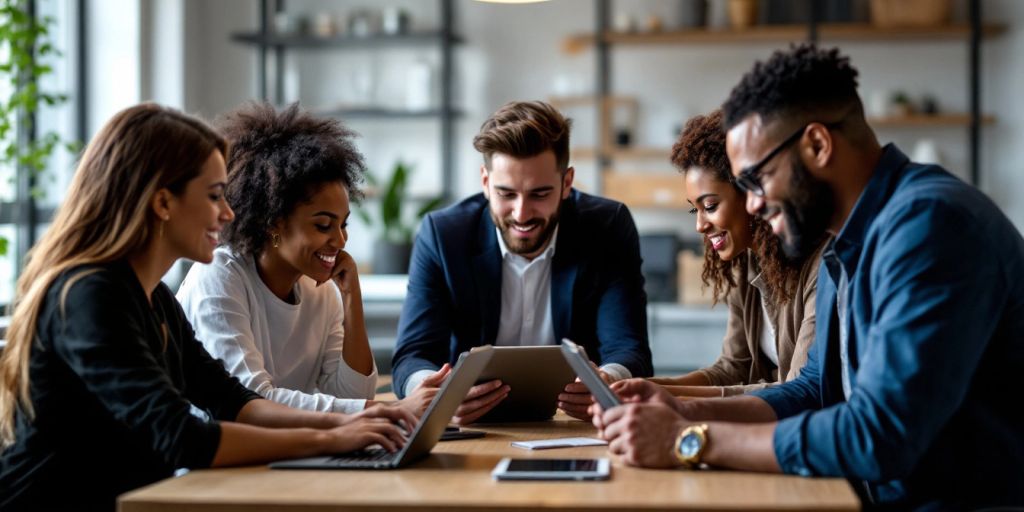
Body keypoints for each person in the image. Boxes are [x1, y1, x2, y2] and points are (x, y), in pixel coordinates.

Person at [594, 44, 1024, 509]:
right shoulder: (848, 238)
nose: (753, 204)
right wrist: (682, 408)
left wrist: (689, 440)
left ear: (818, 145)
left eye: (756, 180)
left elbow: (878, 435)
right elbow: (814, 388)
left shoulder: (931, 224)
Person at [0, 104, 416, 511]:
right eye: (215, 195)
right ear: (163, 202)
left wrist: (352, 424)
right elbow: (181, 436)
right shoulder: (89, 295)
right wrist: (334, 437)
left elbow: (234, 400)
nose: (229, 212)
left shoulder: (154, 297)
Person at [391, 100, 653, 423]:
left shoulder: (608, 227)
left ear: (567, 182)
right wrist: (433, 394)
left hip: (576, 426)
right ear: (485, 182)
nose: (521, 213)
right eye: (506, 193)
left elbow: (630, 349)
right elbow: (412, 356)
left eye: (540, 194)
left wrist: (607, 380)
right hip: (475, 428)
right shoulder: (443, 235)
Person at [176, 102, 440, 417]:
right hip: (212, 460)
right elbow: (251, 399)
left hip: (283, 452)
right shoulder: (218, 277)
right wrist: (385, 410)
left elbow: (350, 394)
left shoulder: (321, 291)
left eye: (343, 225)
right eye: (323, 225)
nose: (340, 240)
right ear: (273, 222)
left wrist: (351, 297)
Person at [647, 110, 825, 399]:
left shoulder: (818, 265)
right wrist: (649, 388)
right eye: (695, 209)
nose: (699, 225)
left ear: (752, 194)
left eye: (710, 206)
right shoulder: (747, 262)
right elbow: (732, 369)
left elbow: (800, 390)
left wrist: (672, 399)